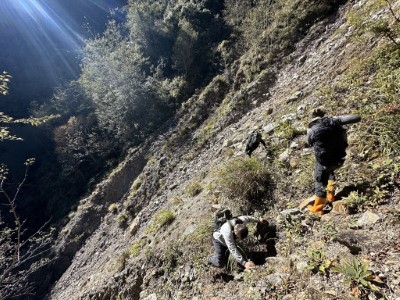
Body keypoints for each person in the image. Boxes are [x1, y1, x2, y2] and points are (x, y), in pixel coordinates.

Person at [305, 114, 361, 215]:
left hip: (325, 163)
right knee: (330, 173)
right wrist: (336, 119)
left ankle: (318, 209)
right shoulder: (334, 122)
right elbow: (357, 117)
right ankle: (331, 196)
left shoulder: (312, 131)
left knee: (320, 181)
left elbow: (309, 142)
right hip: (339, 159)